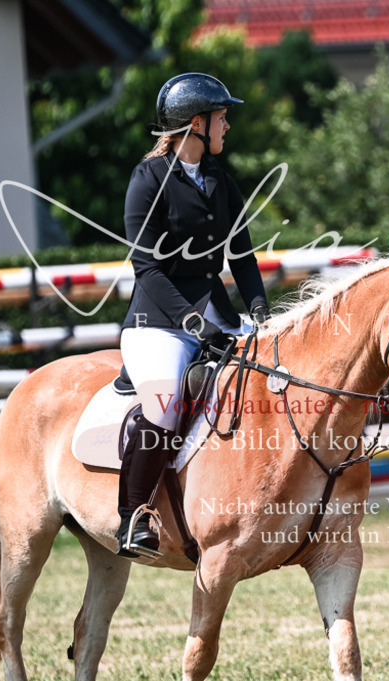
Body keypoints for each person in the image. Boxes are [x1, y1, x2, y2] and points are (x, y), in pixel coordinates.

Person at [116, 72, 270, 557]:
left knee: (274, 373)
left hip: (215, 316)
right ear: (197, 124)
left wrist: (262, 313)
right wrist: (194, 325)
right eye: (223, 118)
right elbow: (147, 268)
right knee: (163, 405)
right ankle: (134, 516)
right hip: (158, 323)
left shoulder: (222, 182)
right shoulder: (148, 181)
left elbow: (242, 258)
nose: (228, 126)